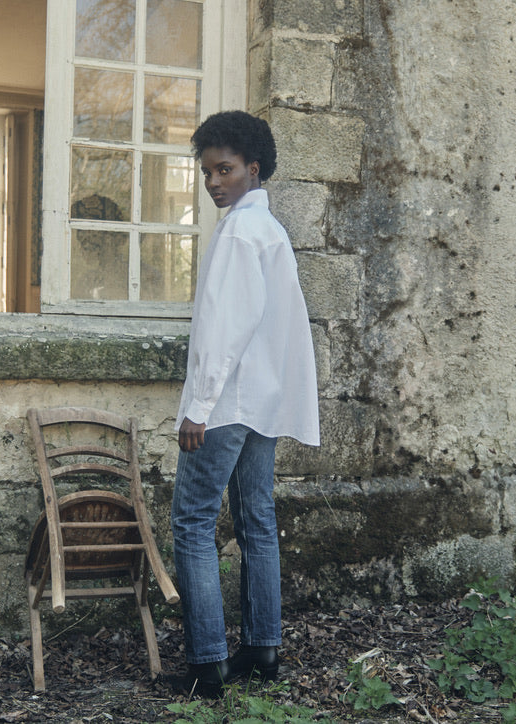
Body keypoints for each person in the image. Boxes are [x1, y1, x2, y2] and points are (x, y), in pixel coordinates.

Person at [169, 110, 320, 698]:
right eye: (207, 171)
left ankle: (207, 664)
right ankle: (263, 649)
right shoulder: (271, 231)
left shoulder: (239, 232)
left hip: (227, 402)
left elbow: (224, 329)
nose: (213, 182)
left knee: (193, 522)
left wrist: (198, 406)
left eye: (224, 169)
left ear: (253, 170)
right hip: (263, 403)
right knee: (257, 522)